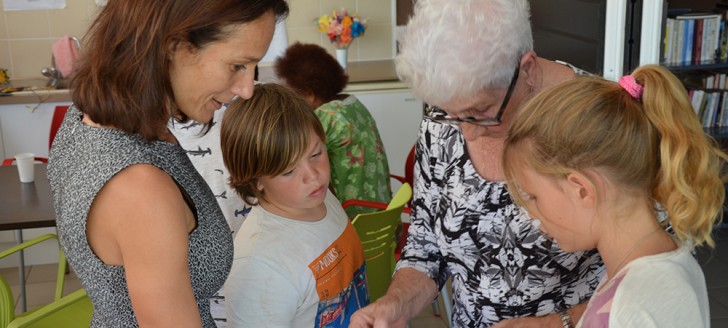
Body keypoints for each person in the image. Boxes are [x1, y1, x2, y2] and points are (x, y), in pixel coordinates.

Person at [351, 0, 605, 327]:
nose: (467, 134)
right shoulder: (447, 121)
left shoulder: (600, 124)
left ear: (526, 69)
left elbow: (648, 269)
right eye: (450, 114)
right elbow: (427, 244)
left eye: (481, 112)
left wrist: (555, 323)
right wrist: (396, 304)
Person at [47, 0, 289, 327]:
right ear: (173, 46)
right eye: (237, 66)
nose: (246, 89)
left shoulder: (86, 119)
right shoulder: (141, 189)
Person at [502, 65, 725, 327]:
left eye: (534, 196)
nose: (531, 215)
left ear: (581, 190)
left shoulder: (635, 304)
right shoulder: (656, 265)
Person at [220, 83, 369, 327]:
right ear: (255, 179)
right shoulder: (258, 267)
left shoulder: (321, 197)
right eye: (289, 170)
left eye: (315, 154)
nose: (313, 175)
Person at [274, 42, 392, 217]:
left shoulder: (326, 117)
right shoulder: (352, 103)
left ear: (309, 94)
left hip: (354, 219)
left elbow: (293, 159)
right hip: (382, 214)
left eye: (293, 94)